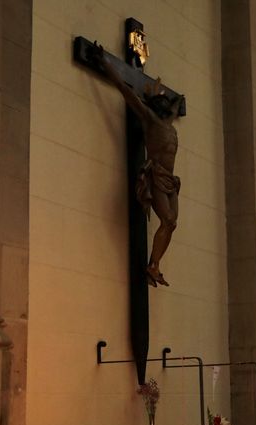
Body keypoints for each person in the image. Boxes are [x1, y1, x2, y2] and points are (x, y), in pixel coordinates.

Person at [95, 48, 183, 287]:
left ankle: (154, 265)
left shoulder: (168, 122)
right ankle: (152, 265)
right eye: (161, 99)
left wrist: (179, 98)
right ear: (155, 105)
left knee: (172, 223)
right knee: (167, 220)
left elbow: (176, 104)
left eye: (166, 100)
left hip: (170, 180)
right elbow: (126, 91)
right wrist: (105, 63)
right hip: (155, 174)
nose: (165, 101)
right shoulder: (149, 119)